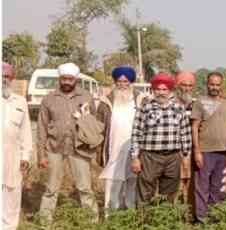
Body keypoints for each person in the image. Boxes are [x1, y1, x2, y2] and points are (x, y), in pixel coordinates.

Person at [38, 63, 98, 220]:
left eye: (70, 79)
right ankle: (44, 224)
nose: (66, 82)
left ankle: (92, 224)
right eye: (63, 78)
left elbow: (93, 125)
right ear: (59, 78)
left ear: (75, 79)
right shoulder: (49, 99)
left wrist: (93, 148)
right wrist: (41, 155)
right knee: (51, 189)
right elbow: (42, 128)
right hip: (54, 148)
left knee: (85, 188)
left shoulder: (86, 97)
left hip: (79, 148)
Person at [130, 73, 192, 205]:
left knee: (169, 193)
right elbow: (136, 133)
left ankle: (166, 222)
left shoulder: (178, 109)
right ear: (153, 90)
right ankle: (143, 223)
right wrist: (135, 157)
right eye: (158, 89)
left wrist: (186, 157)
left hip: (172, 157)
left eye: (164, 89)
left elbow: (185, 134)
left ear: (170, 91)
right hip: (150, 157)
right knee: (145, 193)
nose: (161, 93)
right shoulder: (145, 108)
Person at [96, 66, 146, 216]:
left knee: (132, 184)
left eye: (126, 81)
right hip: (113, 149)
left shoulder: (141, 100)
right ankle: (110, 217)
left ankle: (130, 217)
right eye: (119, 81)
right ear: (115, 82)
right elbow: (99, 127)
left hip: (135, 151)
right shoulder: (106, 102)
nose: (122, 84)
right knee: (112, 185)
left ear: (131, 82)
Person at [191, 72, 226, 221]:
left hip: (222, 151)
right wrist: (196, 151)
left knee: (219, 186)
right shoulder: (199, 102)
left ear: (221, 85)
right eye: (212, 84)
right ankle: (201, 218)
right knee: (202, 186)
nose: (214, 87)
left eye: (217, 84)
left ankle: (215, 216)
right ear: (207, 84)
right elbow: (195, 126)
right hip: (204, 151)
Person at [2, 62, 32, 230]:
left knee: (12, 190)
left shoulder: (19, 101)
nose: (3, 80)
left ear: (12, 79)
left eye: (6, 77)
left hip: (12, 153)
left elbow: (26, 131)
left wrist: (25, 155)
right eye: (1, 77)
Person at [174, 71, 197, 205]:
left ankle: (189, 213)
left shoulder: (195, 105)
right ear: (177, 85)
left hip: (192, 151)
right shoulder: (170, 104)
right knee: (176, 183)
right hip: (175, 151)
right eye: (184, 85)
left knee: (190, 182)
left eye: (190, 85)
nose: (187, 88)